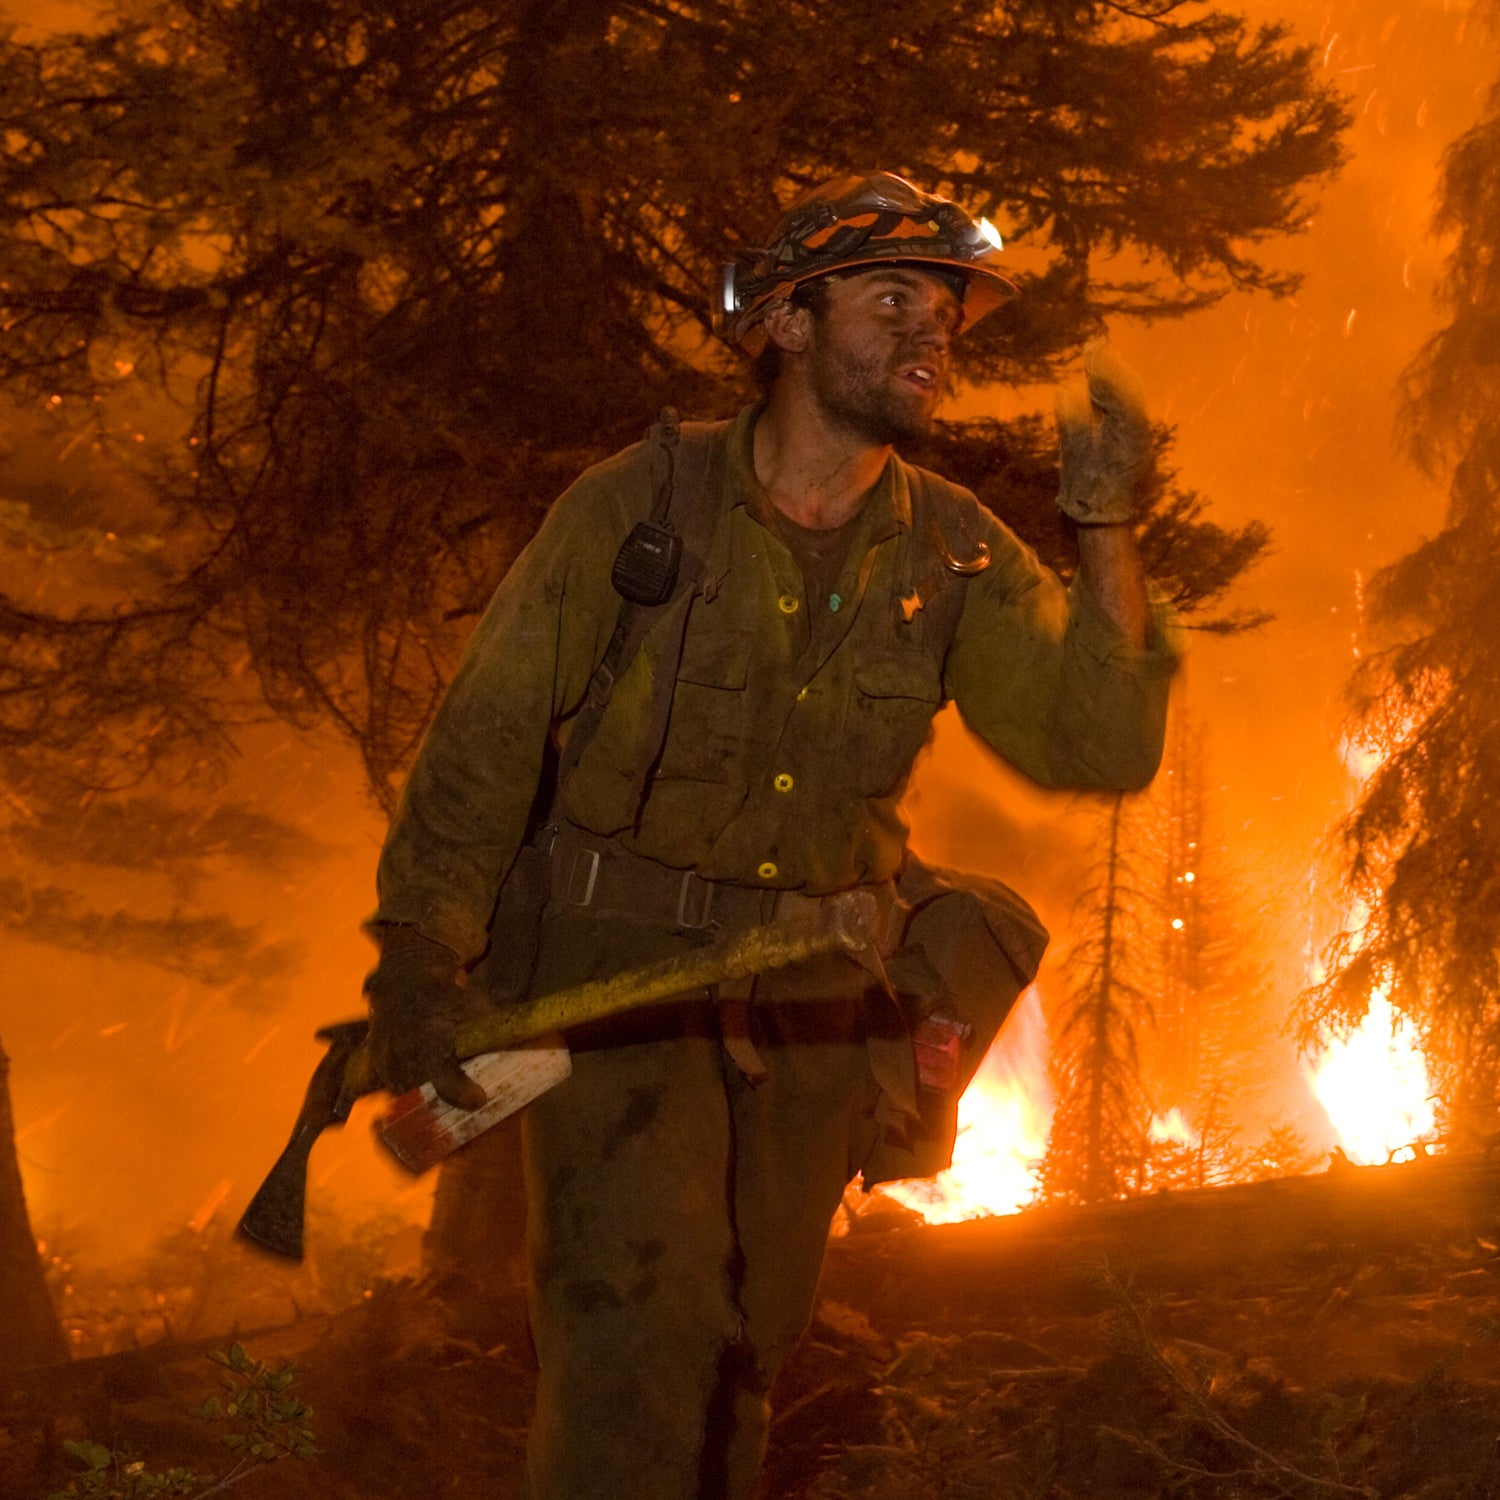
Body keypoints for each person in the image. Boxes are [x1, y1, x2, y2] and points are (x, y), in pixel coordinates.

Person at [363, 171, 1179, 1500]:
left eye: (948, 312)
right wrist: (419, 959)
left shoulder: (951, 552)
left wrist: (1103, 535)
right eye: (893, 297)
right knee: (632, 1352)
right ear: (790, 325)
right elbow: (486, 742)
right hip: (620, 987)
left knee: (748, 1352)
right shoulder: (635, 511)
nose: (933, 333)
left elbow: (1096, 745)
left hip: (811, 1005)